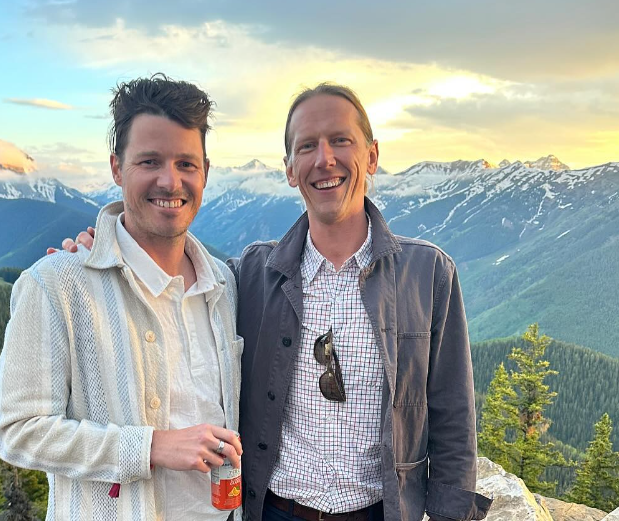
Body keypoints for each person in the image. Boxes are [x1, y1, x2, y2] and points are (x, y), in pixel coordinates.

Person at [62, 83, 491, 521]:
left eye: (340, 140)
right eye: (307, 146)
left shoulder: (428, 273)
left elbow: (453, 413)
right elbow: (172, 279)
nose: (324, 159)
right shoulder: (251, 275)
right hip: (275, 511)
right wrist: (105, 249)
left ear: (372, 156)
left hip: (380, 512)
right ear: (289, 169)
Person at [0, 74, 244, 521]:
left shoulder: (224, 285)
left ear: (205, 171)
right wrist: (150, 447)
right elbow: (18, 430)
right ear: (116, 168)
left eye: (186, 164)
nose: (170, 181)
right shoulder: (56, 285)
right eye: (150, 161)